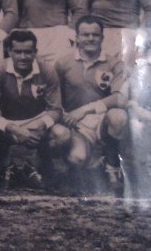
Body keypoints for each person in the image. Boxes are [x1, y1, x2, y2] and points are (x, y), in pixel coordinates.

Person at [0, 30, 71, 189]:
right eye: (18, 52)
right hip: (8, 123)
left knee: (62, 134)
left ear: (35, 52)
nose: (23, 57)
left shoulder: (47, 70)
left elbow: (56, 109)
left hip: (37, 123)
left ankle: (37, 164)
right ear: (9, 51)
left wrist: (41, 126)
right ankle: (3, 165)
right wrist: (12, 128)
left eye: (28, 52)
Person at [54, 15, 130, 194]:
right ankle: (66, 168)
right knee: (77, 158)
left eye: (95, 35)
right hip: (77, 125)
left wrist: (86, 109)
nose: (90, 39)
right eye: (85, 35)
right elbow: (54, 98)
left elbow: (120, 98)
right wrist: (65, 115)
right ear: (77, 37)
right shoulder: (63, 63)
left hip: (103, 121)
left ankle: (112, 168)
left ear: (102, 37)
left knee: (119, 116)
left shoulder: (114, 63)